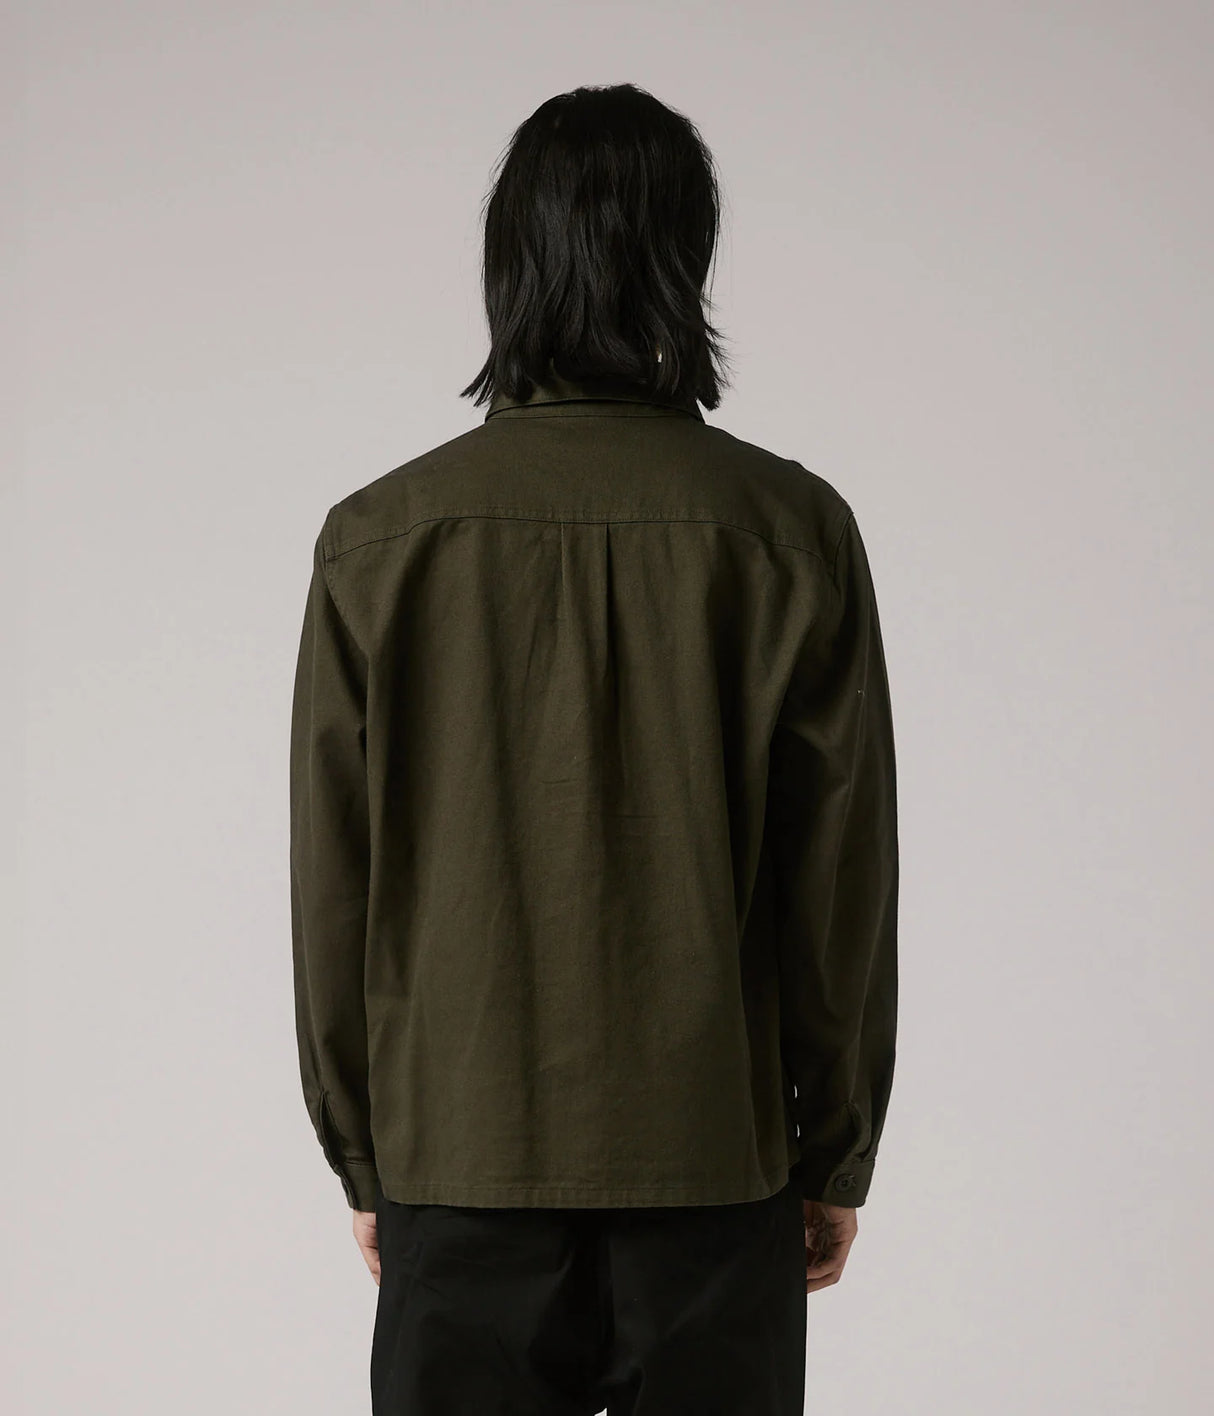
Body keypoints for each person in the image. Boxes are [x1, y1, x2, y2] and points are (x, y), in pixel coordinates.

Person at [289, 81, 899, 1416]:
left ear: (510, 260)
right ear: (686, 258)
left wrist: (365, 1155)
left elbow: (336, 885)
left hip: (459, 1159)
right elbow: (840, 885)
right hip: (714, 1165)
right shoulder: (789, 531)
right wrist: (834, 1151)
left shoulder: (380, 541)